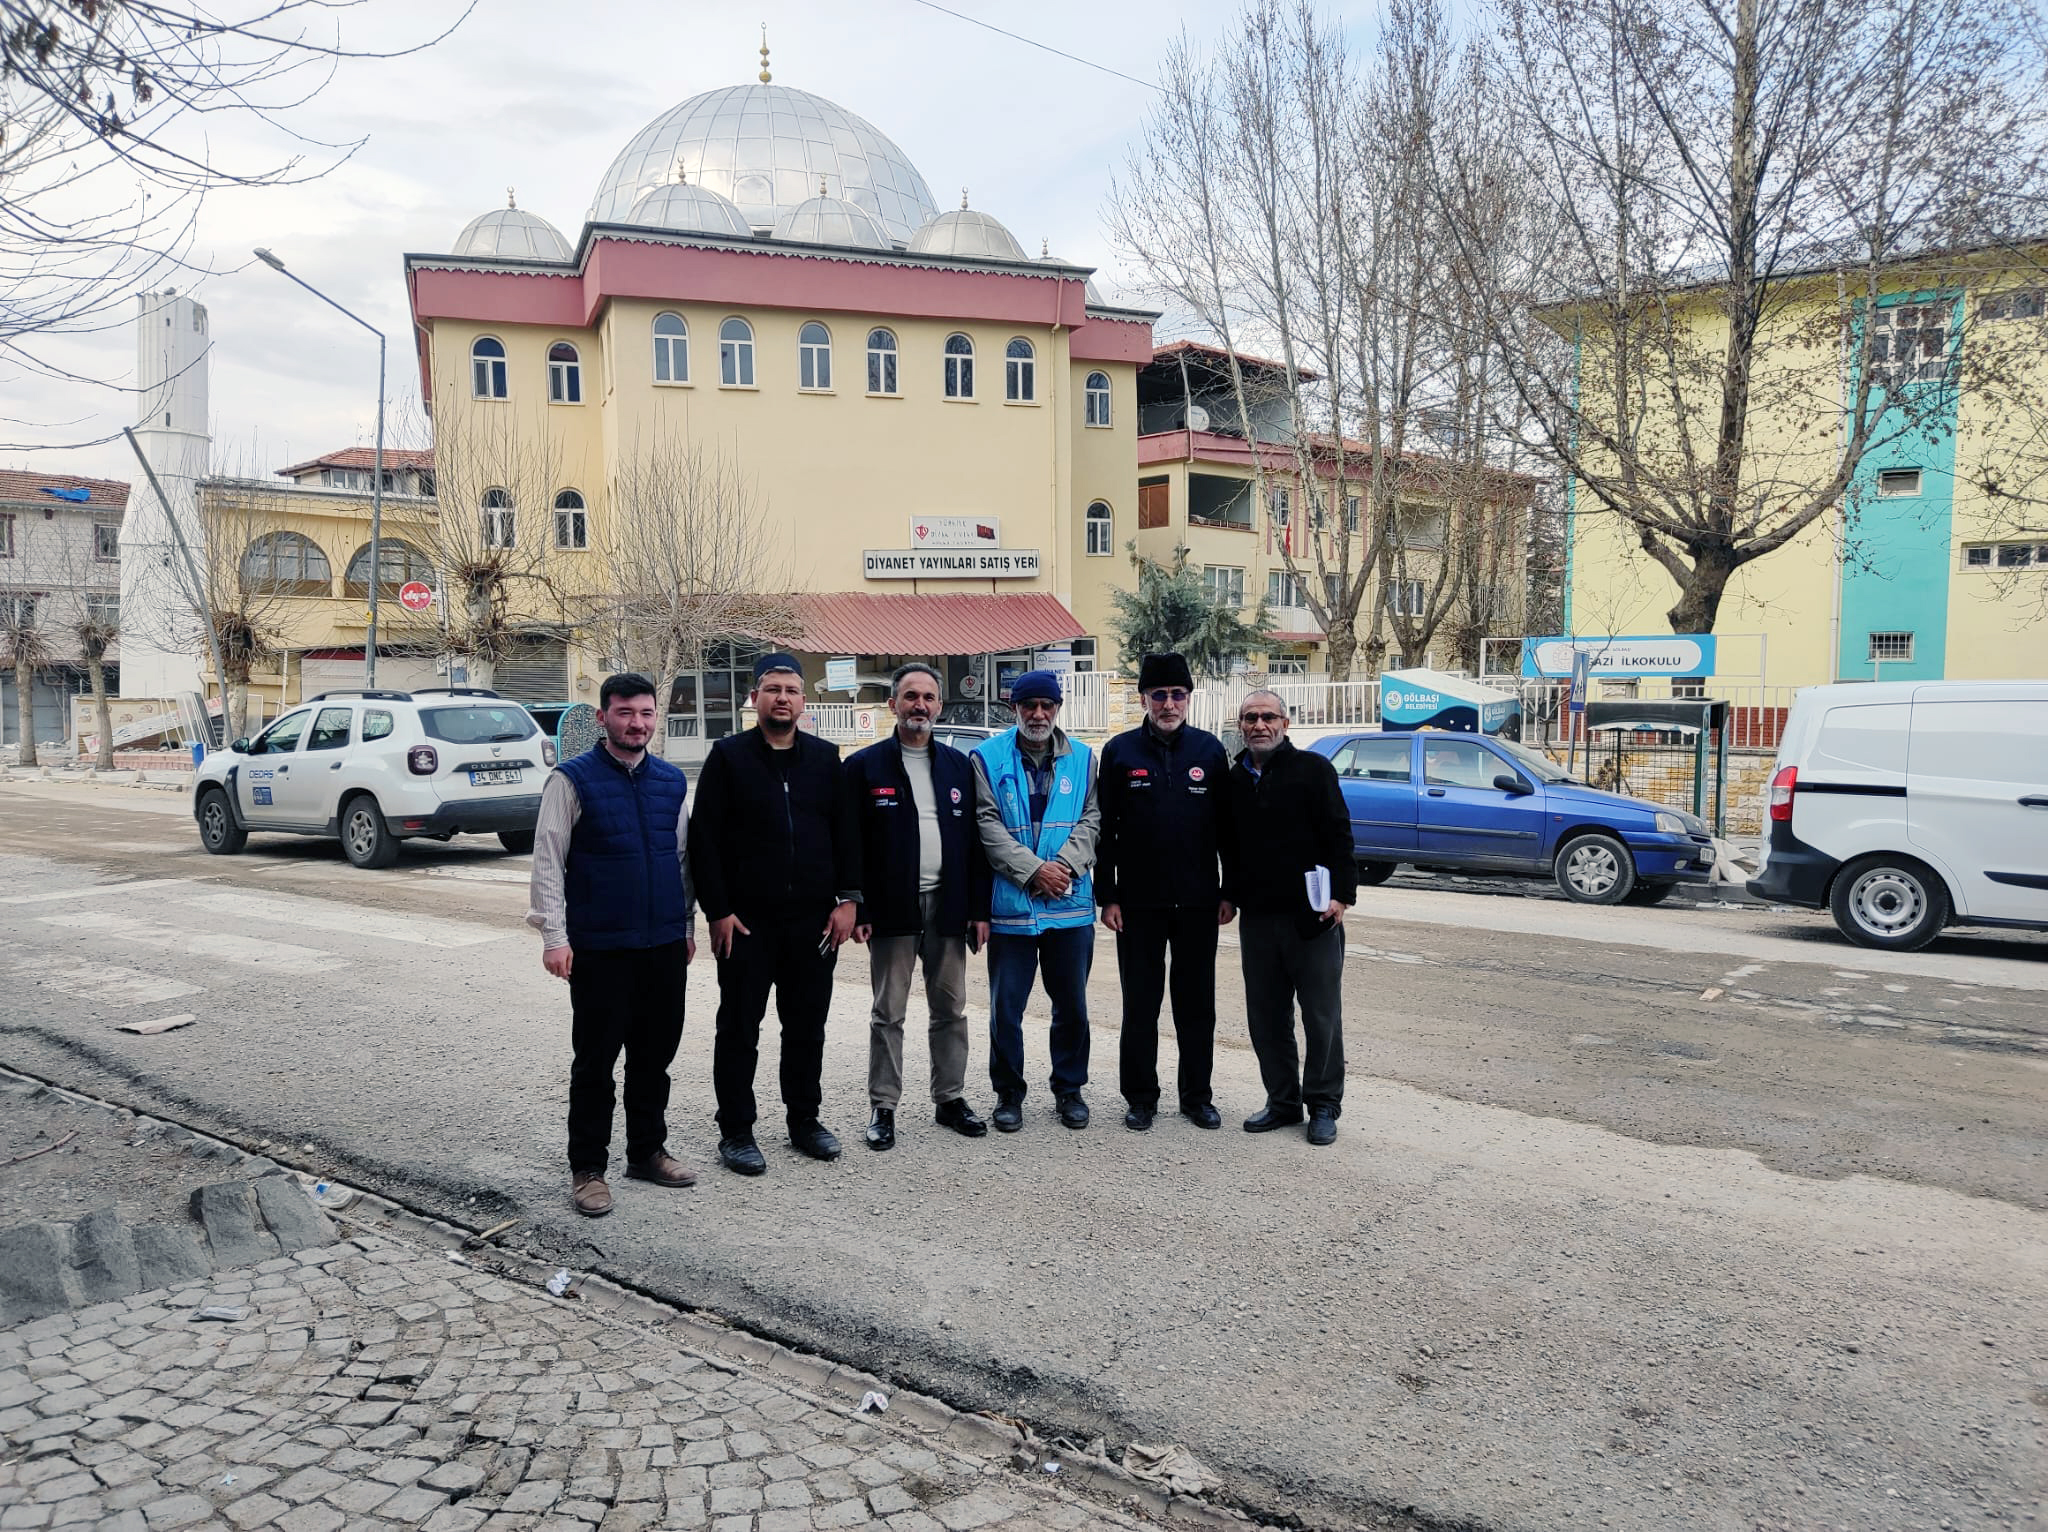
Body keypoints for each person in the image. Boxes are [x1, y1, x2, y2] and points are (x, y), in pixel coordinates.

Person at [528, 672, 698, 1218]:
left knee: (654, 1057)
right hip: (599, 947)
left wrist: (687, 926)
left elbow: (681, 862)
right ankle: (588, 1169)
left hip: (664, 944)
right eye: (625, 713)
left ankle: (647, 1152)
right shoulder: (571, 780)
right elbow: (548, 862)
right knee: (596, 1063)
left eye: (646, 714)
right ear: (603, 718)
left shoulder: (671, 782)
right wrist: (555, 937)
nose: (637, 723)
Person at [689, 653, 863, 1175]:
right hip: (746, 925)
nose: (782, 698)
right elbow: (705, 840)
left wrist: (849, 900)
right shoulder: (728, 757)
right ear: (755, 698)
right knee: (740, 1027)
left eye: (791, 689)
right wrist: (718, 911)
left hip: (813, 922)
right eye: (772, 689)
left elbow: (846, 834)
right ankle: (737, 1131)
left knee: (807, 1027)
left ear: (803, 701)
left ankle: (804, 1121)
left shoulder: (825, 759)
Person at [845, 663, 992, 1150]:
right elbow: (852, 846)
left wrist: (978, 909)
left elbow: (974, 844)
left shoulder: (957, 766)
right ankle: (883, 1106)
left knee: (950, 1008)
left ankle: (949, 1099)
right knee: (888, 1011)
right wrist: (859, 909)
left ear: (939, 706)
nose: (920, 706)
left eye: (929, 697)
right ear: (893, 704)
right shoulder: (864, 767)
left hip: (948, 907)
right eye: (910, 696)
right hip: (891, 910)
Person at [1097, 653, 1233, 1132]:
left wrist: (1228, 890)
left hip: (1198, 902)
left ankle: (1197, 1097)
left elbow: (1227, 831)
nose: (1168, 703)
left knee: (1196, 1005)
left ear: (1189, 699)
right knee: (1141, 1005)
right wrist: (1107, 896)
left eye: (1177, 695)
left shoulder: (1210, 752)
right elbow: (1104, 831)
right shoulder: (1119, 753)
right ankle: (1140, 1098)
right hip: (1137, 905)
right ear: (1144, 699)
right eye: (1159, 695)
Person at [1220, 689, 1355, 1146]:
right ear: (1240, 726)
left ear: (1285, 722)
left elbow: (1340, 835)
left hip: (1313, 918)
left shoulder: (1313, 770)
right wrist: (1229, 895)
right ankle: (1282, 1101)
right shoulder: (1233, 778)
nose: (1259, 725)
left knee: (1320, 1016)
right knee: (1267, 1016)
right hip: (1258, 919)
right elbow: (1229, 848)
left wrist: (1341, 896)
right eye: (1250, 718)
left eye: (1268, 717)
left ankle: (1323, 1105)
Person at [970, 669, 1101, 1131]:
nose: (1039, 714)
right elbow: (987, 826)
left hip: (1070, 906)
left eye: (1047, 705)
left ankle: (1069, 1090)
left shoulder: (1085, 759)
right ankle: (1008, 1094)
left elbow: (1092, 820)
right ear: (1015, 710)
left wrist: (1062, 868)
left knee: (1072, 1006)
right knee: (1006, 1009)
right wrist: (1033, 871)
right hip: (1012, 909)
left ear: (1058, 708)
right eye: (1030, 706)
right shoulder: (986, 758)